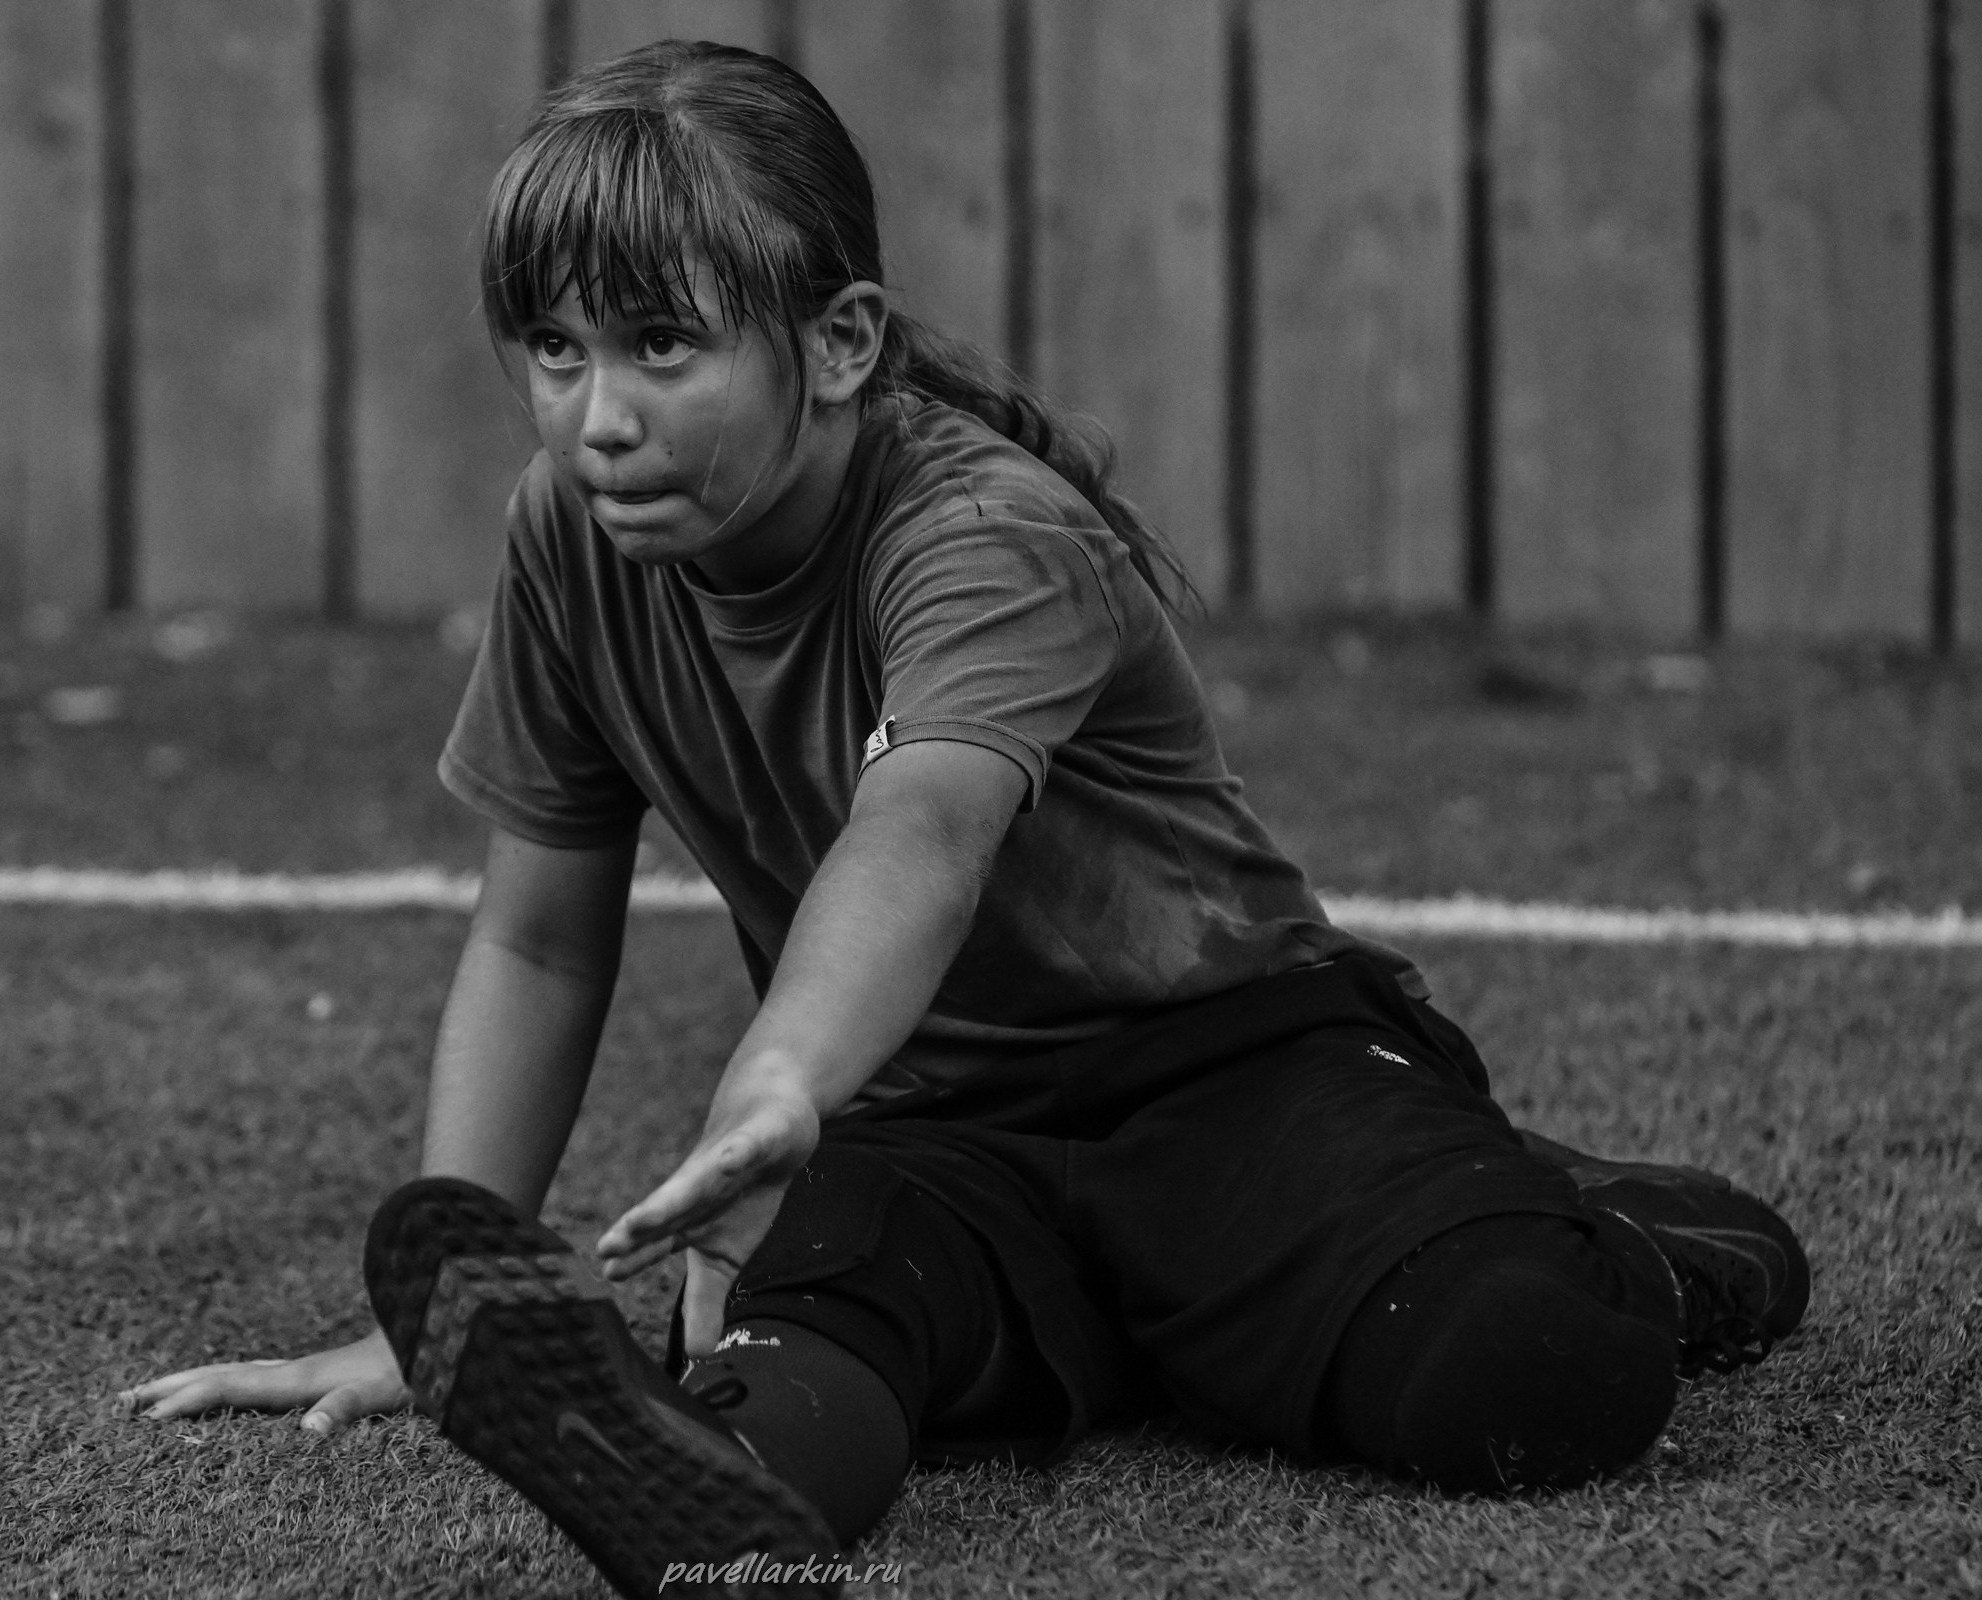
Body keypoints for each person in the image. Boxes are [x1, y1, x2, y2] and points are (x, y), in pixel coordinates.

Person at [122, 40, 1810, 1599]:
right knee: (808, 1343)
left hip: (1227, 1079)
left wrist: (773, 1086)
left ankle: (1634, 1234)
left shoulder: (989, 532)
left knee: (1516, 1368)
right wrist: (444, 1307)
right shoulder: (569, 536)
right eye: (555, 351)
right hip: (928, 1119)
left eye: (660, 346)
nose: (598, 418)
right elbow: (538, 931)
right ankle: (723, 1484)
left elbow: (917, 837)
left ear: (840, 342)